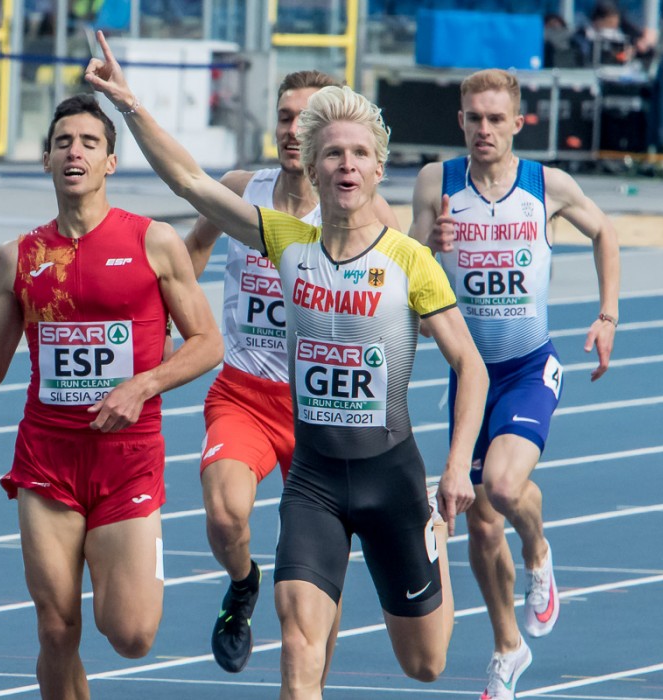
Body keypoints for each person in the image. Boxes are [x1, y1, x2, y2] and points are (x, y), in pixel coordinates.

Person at [85, 30, 488, 699]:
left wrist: (456, 465)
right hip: (315, 482)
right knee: (299, 645)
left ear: (377, 171)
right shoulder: (287, 242)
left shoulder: (408, 260)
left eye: (360, 155)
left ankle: (430, 541)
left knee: (426, 663)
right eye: (333, 154)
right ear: (314, 166)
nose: (347, 165)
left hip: (391, 478)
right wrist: (129, 104)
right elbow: (190, 181)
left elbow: (470, 366)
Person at [0, 94, 223, 699]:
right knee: (55, 628)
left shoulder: (154, 242)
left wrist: (142, 385)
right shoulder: (17, 258)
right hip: (47, 460)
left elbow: (206, 343)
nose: (75, 152)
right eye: (63, 142)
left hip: (127, 461)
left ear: (110, 163)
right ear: (46, 160)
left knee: (132, 634)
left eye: (90, 143)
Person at [410, 68, 620, 700]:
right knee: (478, 524)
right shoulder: (436, 183)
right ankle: (508, 648)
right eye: (474, 118)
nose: (484, 129)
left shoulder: (545, 186)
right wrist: (430, 243)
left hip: (529, 367)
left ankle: (538, 551)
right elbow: (407, 269)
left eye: (496, 119)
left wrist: (607, 315)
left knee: (502, 487)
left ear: (518, 124)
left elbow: (604, 231)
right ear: (460, 122)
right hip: (469, 376)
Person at [183, 68, 401, 675]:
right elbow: (191, 251)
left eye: (305, 121)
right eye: (284, 117)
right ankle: (243, 583)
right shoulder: (241, 189)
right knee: (225, 513)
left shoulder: (368, 211)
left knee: (316, 579)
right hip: (245, 395)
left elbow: (401, 294)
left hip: (323, 409)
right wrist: (182, 320)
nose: (290, 130)